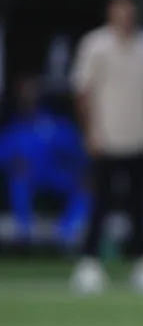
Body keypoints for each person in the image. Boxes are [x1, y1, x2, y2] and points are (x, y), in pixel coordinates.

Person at [70, 0, 143, 295]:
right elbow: (82, 93)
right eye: (119, 12)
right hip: (107, 137)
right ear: (111, 14)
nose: (125, 18)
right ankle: (88, 264)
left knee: (142, 205)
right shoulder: (95, 45)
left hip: (141, 136)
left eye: (129, 12)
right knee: (101, 204)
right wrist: (89, 132)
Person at [0, 76, 90, 246]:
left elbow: (76, 152)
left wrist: (79, 168)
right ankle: (24, 234)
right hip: (30, 177)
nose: (29, 97)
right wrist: (12, 163)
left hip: (55, 175)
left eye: (33, 93)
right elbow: (3, 155)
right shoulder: (13, 128)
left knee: (84, 186)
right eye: (25, 94)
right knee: (19, 180)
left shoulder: (54, 124)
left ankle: (68, 235)